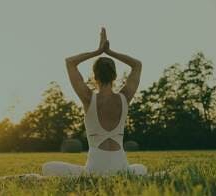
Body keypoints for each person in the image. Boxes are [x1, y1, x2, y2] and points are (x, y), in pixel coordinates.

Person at [42, 27, 146, 176]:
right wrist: (110, 52)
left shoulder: (88, 98)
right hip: (121, 168)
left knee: (48, 167)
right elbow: (137, 65)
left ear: (95, 76)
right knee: (141, 168)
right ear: (114, 76)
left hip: (95, 170)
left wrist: (98, 51)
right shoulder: (125, 97)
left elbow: (70, 62)